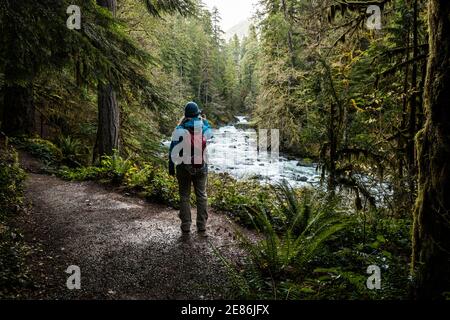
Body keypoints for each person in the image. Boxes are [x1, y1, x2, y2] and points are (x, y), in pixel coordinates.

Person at [169, 102, 212, 237]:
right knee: (201, 195)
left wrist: (171, 167)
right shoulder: (203, 127)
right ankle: (202, 226)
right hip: (201, 165)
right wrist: (202, 121)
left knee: (184, 196)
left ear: (185, 114)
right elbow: (210, 135)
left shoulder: (179, 128)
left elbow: (172, 150)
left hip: (183, 166)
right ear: (197, 114)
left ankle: (186, 225)